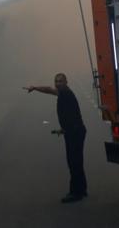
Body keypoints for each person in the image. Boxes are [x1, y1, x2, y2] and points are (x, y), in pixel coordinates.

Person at [24, 73, 88, 203]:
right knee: (77, 161)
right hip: (74, 131)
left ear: (66, 82)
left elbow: (49, 89)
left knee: (73, 162)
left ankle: (75, 193)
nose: (57, 84)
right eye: (56, 81)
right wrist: (63, 129)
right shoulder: (64, 93)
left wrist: (35, 87)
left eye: (60, 81)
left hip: (75, 133)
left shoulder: (66, 93)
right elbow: (52, 93)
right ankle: (82, 189)